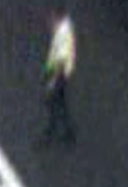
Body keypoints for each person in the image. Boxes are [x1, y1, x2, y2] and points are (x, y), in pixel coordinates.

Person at [40, 7, 76, 145]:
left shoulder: (62, 35)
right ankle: (68, 132)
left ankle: (51, 133)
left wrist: (53, 80)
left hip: (59, 75)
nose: (49, 23)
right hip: (60, 73)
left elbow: (61, 60)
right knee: (60, 103)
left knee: (52, 102)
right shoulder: (63, 30)